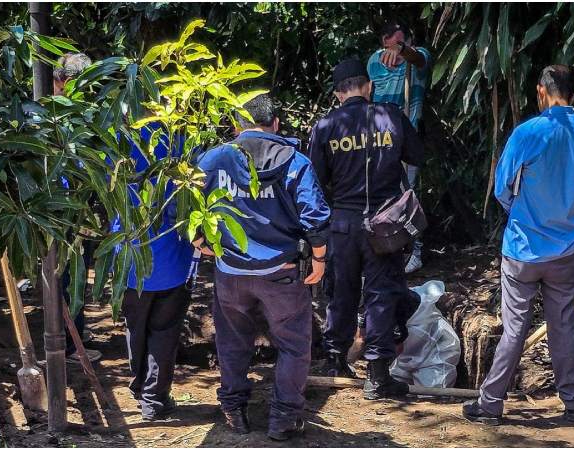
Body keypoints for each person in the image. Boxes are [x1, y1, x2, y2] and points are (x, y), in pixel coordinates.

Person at [461, 65, 574, 424]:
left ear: (542, 91)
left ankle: (491, 404)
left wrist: (524, 213)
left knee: (514, 328)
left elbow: (502, 189)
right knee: (564, 325)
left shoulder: (527, 133)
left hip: (523, 248)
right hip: (566, 247)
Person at [195, 94, 330, 440]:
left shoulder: (214, 160)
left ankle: (233, 410)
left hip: (231, 272)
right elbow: (315, 217)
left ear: (236, 126)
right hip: (282, 272)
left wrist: (203, 242)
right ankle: (284, 419)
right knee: (294, 345)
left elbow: (189, 203)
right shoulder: (294, 161)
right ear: (275, 125)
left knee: (232, 342)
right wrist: (319, 260)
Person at [309, 58, 424, 399]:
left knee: (340, 291)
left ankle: (334, 361)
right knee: (380, 295)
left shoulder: (326, 126)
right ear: (368, 85)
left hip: (343, 222)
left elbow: (315, 182)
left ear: (337, 94)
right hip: (385, 224)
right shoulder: (390, 116)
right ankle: (377, 376)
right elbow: (418, 155)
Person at [112, 123, 195, 421]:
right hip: (172, 259)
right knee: (164, 330)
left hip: (129, 258)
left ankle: (142, 389)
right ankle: (154, 399)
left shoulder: (115, 139)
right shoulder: (181, 139)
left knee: (135, 327)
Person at [367, 21, 431, 274]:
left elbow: (418, 58)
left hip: (408, 141)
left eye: (406, 41)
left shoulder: (418, 58)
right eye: (397, 41)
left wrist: (403, 50)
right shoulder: (374, 62)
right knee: (382, 197)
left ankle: (415, 252)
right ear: (384, 42)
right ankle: (387, 249)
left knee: (409, 195)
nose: (404, 45)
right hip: (381, 141)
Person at [54, 52, 102, 364]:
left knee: (69, 276)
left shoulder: (69, 114)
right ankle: (69, 346)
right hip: (63, 212)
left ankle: (70, 341)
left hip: (71, 210)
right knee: (69, 278)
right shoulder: (62, 116)